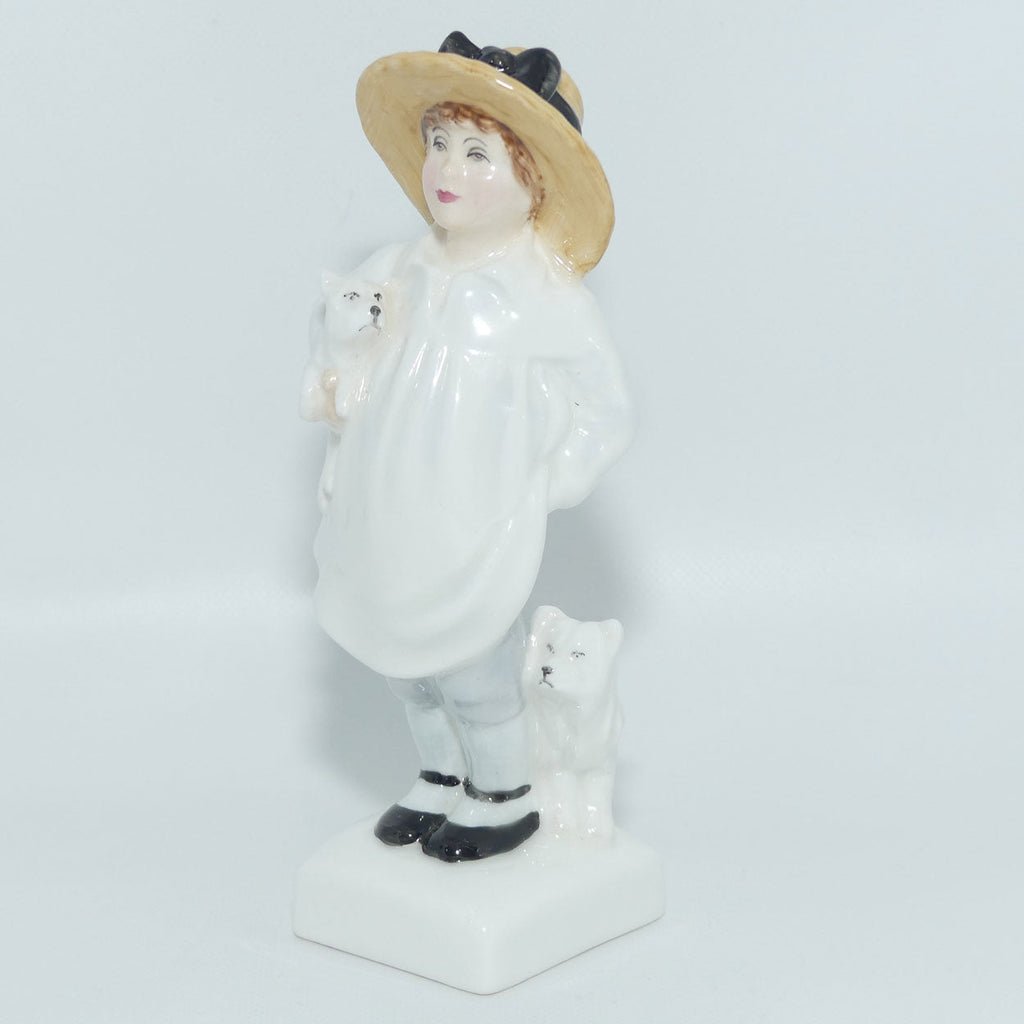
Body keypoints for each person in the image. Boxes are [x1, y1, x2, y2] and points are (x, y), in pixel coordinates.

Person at [303, 32, 632, 861]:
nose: (447, 168)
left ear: (534, 181)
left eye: (478, 153)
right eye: (440, 143)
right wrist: (339, 387)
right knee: (403, 664)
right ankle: (439, 773)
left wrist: (537, 486)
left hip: (470, 520)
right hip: (387, 507)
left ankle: (503, 790)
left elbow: (604, 411)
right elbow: (344, 351)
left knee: (473, 665)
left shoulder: (546, 297)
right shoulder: (397, 267)